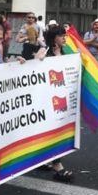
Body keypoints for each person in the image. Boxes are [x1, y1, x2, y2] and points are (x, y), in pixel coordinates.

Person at [39, 26, 74, 182]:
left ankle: (45, 159)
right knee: (53, 132)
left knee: (57, 132)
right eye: (62, 36)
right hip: (48, 100)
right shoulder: (45, 52)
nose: (65, 38)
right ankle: (57, 165)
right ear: (54, 38)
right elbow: (33, 70)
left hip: (62, 99)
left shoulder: (65, 53)